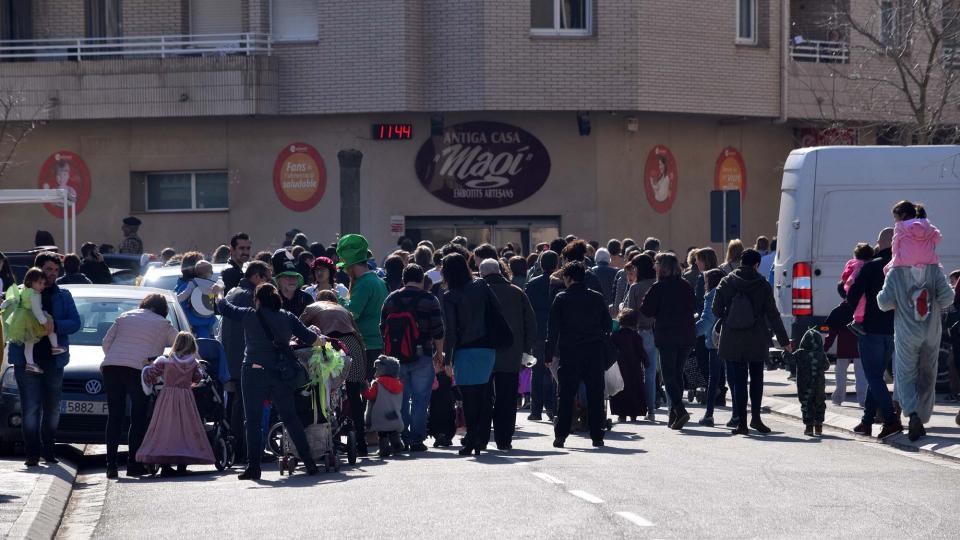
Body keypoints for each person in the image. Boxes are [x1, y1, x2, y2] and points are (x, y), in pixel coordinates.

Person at [218, 283, 323, 479]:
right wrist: (322, 341)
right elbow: (309, 338)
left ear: (257, 299)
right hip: (280, 373)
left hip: (253, 370)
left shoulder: (249, 314)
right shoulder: (287, 316)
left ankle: (254, 467)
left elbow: (224, 308)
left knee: (253, 420)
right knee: (290, 417)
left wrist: (218, 293)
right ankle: (309, 463)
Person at [877, 201, 953, 441]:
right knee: (928, 373)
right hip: (931, 328)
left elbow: (884, 302)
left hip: (907, 330)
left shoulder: (897, 270)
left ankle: (912, 416)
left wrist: (894, 297)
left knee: (905, 373)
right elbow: (948, 296)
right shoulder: (934, 268)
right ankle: (923, 413)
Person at [8, 252, 80, 466]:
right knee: (30, 407)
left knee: (52, 407)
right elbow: (9, 319)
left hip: (54, 360)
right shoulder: (21, 294)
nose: (52, 274)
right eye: (48, 269)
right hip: (26, 358)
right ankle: (31, 453)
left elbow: (75, 322)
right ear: (37, 269)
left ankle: (49, 450)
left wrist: (55, 325)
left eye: (56, 271)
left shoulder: (63, 295)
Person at [713, 249, 792, 435]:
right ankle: (756, 418)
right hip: (756, 337)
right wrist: (784, 340)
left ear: (741, 262)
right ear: (756, 264)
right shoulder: (762, 284)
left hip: (732, 337)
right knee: (756, 378)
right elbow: (773, 314)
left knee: (739, 381)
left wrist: (730, 317)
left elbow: (716, 309)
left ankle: (741, 422)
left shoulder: (726, 281)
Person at [100, 294, 178, 478]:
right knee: (138, 417)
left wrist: (117, 357)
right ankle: (133, 465)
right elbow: (181, 344)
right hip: (139, 370)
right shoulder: (163, 324)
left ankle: (110, 465)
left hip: (111, 367)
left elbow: (106, 343)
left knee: (114, 417)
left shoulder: (125, 316)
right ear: (162, 309)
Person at [441, 253, 508, 456]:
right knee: (484, 394)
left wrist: (447, 358)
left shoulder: (449, 296)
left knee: (468, 397)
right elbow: (497, 310)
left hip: (464, 350)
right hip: (487, 347)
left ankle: (472, 439)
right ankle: (479, 437)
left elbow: (451, 331)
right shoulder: (481, 286)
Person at [379, 263, 445, 453]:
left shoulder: (391, 299)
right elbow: (438, 330)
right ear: (422, 279)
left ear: (403, 278)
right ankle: (416, 439)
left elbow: (382, 328)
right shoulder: (429, 299)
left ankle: (401, 436)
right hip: (422, 354)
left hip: (396, 358)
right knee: (421, 399)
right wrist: (438, 353)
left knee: (401, 398)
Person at [545, 262, 611, 448]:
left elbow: (552, 330)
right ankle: (597, 435)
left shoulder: (561, 298)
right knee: (595, 395)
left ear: (567, 278)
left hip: (570, 352)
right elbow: (607, 325)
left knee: (566, 396)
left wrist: (548, 355)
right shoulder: (597, 298)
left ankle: (561, 435)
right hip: (594, 352)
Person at [847, 227, 902, 439]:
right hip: (895, 330)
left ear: (881, 244)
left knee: (873, 376)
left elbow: (853, 294)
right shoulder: (902, 266)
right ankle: (867, 421)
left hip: (871, 329)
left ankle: (890, 419)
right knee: (876, 376)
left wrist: (853, 311)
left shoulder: (872, 267)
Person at [300, 289, 369, 456]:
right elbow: (358, 336)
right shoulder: (343, 310)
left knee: (321, 390)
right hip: (351, 345)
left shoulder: (311, 307)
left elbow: (299, 329)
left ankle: (323, 436)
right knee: (354, 396)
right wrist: (363, 373)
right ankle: (361, 442)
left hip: (328, 345)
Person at [137, 332, 215, 476]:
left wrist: (146, 369)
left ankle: (165, 465)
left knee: (166, 428)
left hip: (167, 397)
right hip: (186, 397)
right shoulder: (193, 363)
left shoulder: (165, 361)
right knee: (186, 428)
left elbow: (151, 374)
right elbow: (197, 378)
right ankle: (182, 464)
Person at [217, 260, 272, 463]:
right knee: (248, 407)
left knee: (239, 405)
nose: (270, 283)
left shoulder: (233, 292)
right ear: (257, 277)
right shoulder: (249, 296)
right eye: (267, 278)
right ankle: (247, 450)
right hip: (246, 358)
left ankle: (241, 449)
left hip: (232, 357)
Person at [480, 258, 536, 451]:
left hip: (482, 353)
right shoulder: (517, 292)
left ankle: (482, 437)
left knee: (483, 397)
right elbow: (531, 324)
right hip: (511, 354)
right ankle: (504, 439)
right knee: (507, 397)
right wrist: (526, 350)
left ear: (482, 274)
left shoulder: (478, 292)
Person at [639, 253, 697, 430]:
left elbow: (646, 310)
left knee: (669, 376)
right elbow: (694, 306)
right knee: (677, 374)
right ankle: (674, 415)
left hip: (667, 336)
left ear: (662, 267)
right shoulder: (685, 285)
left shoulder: (658, 287)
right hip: (686, 335)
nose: (654, 267)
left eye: (656, 264)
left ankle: (679, 409)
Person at [338, 234, 389, 382]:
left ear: (351, 265)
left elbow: (351, 313)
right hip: (378, 344)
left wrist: (338, 298)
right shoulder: (378, 281)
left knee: (360, 391)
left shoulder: (363, 284)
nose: (345, 272)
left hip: (365, 346)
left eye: (346, 268)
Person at [4, 268, 65, 375]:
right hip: (31, 318)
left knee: (29, 342)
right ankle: (55, 346)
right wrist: (45, 322)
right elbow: (37, 311)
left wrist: (4, 304)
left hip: (20, 319)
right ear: (30, 281)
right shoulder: (34, 294)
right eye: (39, 283)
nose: (42, 286)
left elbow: (11, 299)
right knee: (50, 325)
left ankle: (30, 363)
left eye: (44, 283)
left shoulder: (23, 290)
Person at [624, 253, 661, 421]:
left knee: (634, 372)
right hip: (658, 332)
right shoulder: (658, 284)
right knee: (651, 373)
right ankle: (651, 409)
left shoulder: (635, 288)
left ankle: (635, 406)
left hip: (639, 332)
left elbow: (630, 313)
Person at [525, 250, 558, 421]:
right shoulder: (560, 283)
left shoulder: (533, 283)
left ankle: (536, 409)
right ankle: (553, 407)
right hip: (556, 331)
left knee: (537, 371)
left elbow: (527, 310)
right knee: (555, 371)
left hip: (538, 331)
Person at [695, 269, 724, 426]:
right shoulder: (728, 292)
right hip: (730, 339)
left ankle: (709, 414)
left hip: (715, 342)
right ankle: (737, 416)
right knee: (732, 379)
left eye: (705, 281)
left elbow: (706, 320)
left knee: (713, 380)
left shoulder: (712, 295)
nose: (704, 285)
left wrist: (690, 333)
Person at [609, 308, 648, 422]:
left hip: (619, 368)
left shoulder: (615, 335)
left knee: (620, 390)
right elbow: (641, 351)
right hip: (634, 368)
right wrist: (646, 362)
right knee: (634, 390)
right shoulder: (636, 336)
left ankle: (621, 414)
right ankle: (634, 413)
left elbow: (611, 350)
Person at [363, 355, 406, 457]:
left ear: (383, 369)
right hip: (394, 415)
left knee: (383, 434)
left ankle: (384, 449)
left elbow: (370, 396)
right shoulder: (399, 384)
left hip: (381, 416)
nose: (376, 371)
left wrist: (363, 388)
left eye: (377, 368)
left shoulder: (378, 383)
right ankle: (397, 445)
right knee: (393, 432)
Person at [794, 328, 829, 437]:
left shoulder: (800, 353)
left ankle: (809, 427)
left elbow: (789, 359)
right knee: (819, 402)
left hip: (804, 385)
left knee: (806, 403)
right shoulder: (821, 354)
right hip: (819, 385)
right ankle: (818, 426)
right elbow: (826, 366)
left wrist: (785, 352)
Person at [176, 260, 221, 339]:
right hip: (209, 317)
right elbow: (218, 298)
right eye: (211, 271)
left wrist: (175, 300)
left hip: (196, 319)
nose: (213, 272)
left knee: (202, 338)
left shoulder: (193, 283)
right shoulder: (213, 284)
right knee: (209, 337)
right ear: (207, 273)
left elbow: (184, 295)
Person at [842, 243, 876, 336]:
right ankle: (857, 322)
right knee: (862, 304)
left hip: (850, 287)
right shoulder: (862, 264)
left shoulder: (852, 263)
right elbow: (856, 275)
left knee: (859, 304)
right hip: (855, 285)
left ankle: (856, 322)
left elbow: (844, 276)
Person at [271, 251, 312, 317]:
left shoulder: (306, 298)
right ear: (278, 280)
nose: (292, 279)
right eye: (287, 277)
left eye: (295, 276)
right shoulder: (272, 299)